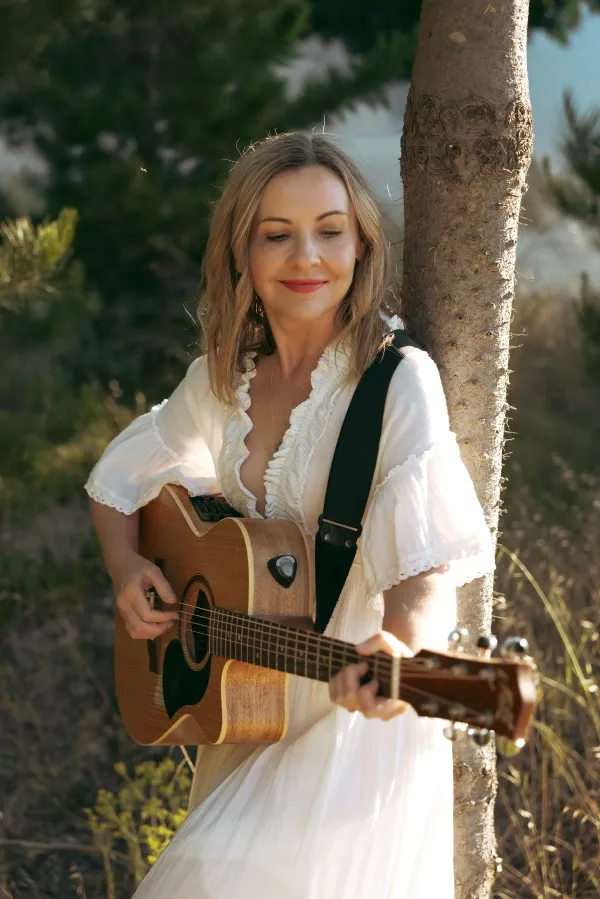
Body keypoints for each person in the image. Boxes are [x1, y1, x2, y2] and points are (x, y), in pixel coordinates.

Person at [85, 132, 495, 899]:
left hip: (354, 719)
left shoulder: (396, 381)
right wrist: (128, 566)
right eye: (278, 234)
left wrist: (402, 648)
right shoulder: (221, 383)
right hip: (246, 712)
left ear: (362, 243)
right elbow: (118, 484)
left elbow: (430, 559)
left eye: (330, 230)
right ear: (242, 251)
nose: (307, 256)